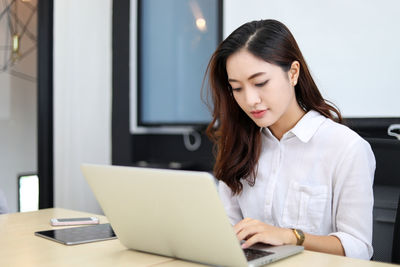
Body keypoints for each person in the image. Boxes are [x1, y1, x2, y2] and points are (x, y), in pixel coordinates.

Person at [204, 19, 375, 260]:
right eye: (237, 88)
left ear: (293, 73)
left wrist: (291, 236)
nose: (250, 99)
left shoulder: (346, 148)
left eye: (260, 83)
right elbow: (226, 231)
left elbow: (358, 248)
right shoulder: (239, 145)